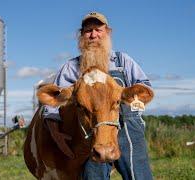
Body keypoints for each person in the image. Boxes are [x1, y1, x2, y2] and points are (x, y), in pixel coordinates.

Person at [42, 12, 153, 179]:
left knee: (140, 176)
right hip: (91, 135)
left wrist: (129, 101)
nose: (93, 35)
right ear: (81, 35)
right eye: (88, 31)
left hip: (128, 130)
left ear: (107, 32)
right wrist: (55, 133)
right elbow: (52, 104)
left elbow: (145, 89)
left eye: (98, 30)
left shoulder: (122, 62)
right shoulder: (72, 67)